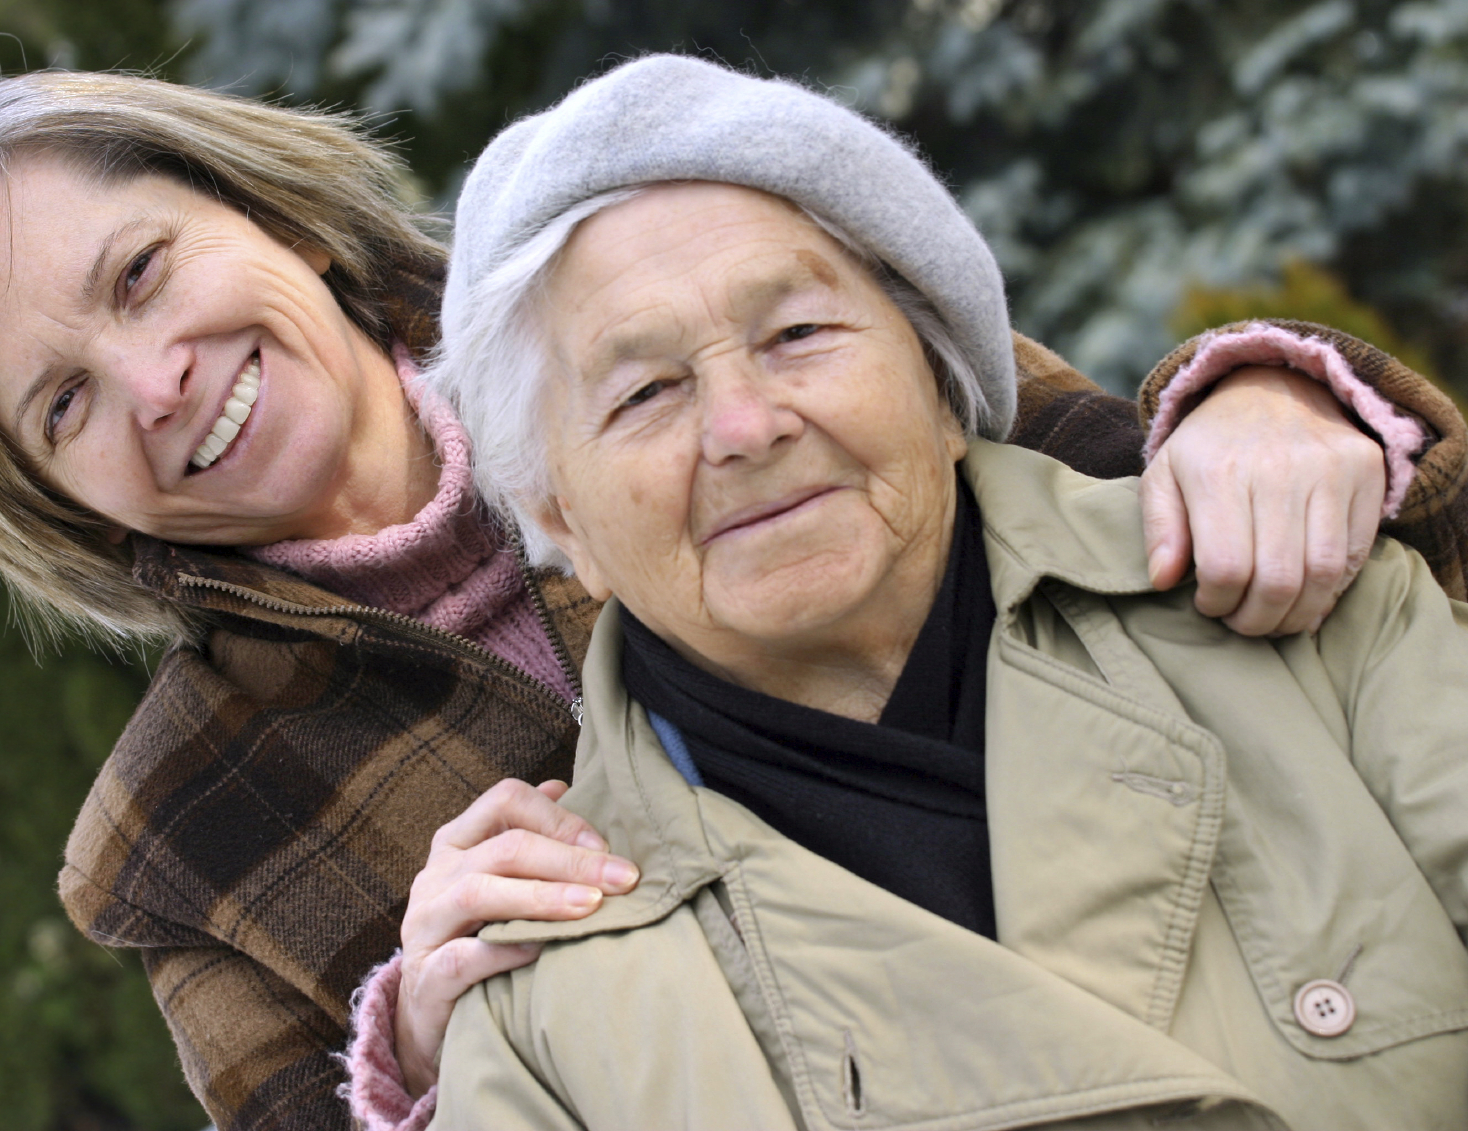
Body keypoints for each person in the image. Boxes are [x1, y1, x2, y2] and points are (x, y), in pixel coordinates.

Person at [0, 67, 1467, 1131]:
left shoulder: (640, 268)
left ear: (273, 219)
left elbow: (1137, 523)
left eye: (140, 275)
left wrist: (1281, 401)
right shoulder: (188, 832)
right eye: (59, 405)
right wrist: (408, 1058)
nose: (151, 377)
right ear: (48, 500)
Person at [420, 54, 1468, 1129]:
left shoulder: (1298, 608)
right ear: (559, 522)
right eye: (645, 392)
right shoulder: (539, 1013)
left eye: (797, 335)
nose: (746, 426)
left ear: (938, 374)